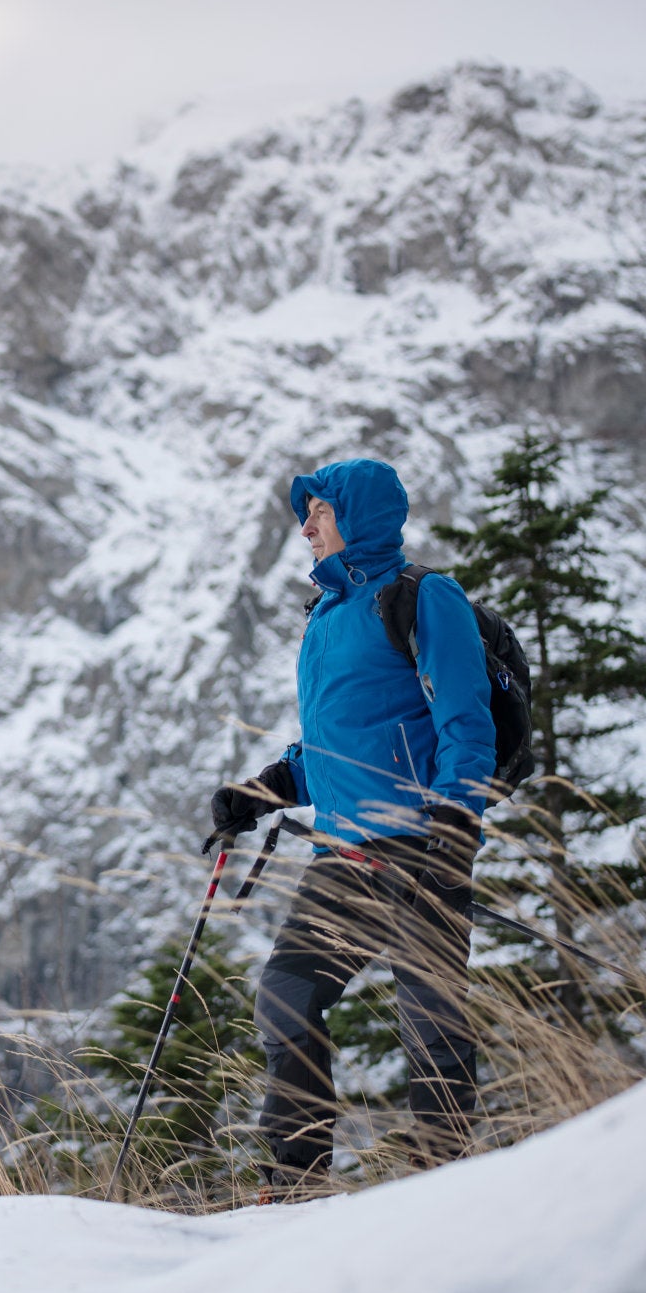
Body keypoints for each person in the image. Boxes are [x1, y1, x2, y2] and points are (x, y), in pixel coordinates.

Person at [208, 457, 497, 1190]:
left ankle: (443, 1180)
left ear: (358, 517)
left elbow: (466, 724)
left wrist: (455, 835)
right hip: (342, 855)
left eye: (321, 513)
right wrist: (266, 789)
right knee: (286, 995)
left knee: (430, 1018)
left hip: (421, 846)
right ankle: (295, 1185)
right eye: (305, 513)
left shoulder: (422, 598)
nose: (305, 527)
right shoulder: (327, 618)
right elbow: (338, 746)